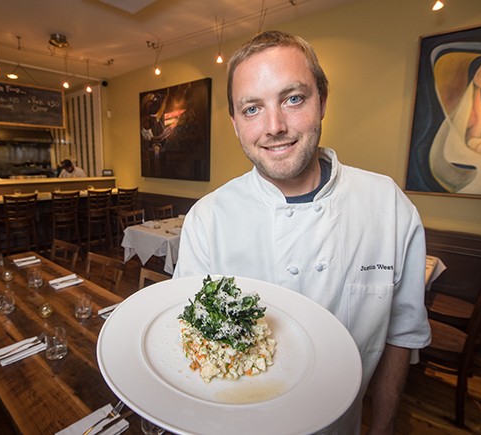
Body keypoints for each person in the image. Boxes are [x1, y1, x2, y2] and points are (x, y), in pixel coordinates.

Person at [173, 31, 430, 434]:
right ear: (235, 123)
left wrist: (381, 430)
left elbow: (401, 335)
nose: (274, 127)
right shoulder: (208, 219)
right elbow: (194, 344)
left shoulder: (389, 206)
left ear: (322, 101)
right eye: (252, 108)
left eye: (293, 98)